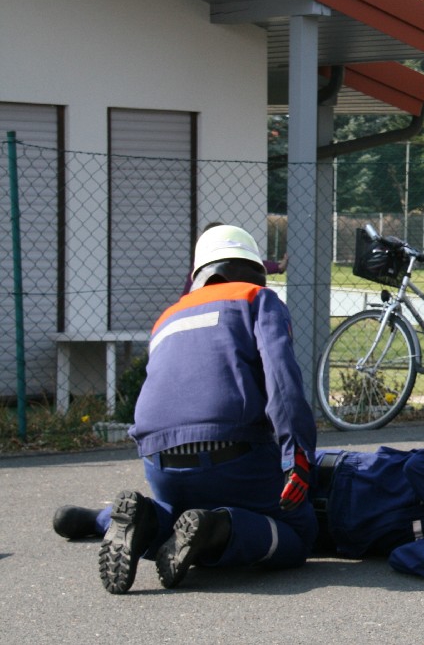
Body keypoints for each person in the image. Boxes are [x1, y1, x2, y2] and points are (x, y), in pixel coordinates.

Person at [95, 224, 318, 594]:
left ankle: (148, 521)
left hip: (160, 460)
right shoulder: (258, 299)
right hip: (234, 454)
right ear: (255, 269)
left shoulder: (167, 316)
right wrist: (298, 455)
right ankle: (219, 529)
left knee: (177, 516)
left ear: (200, 273)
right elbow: (282, 381)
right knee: (298, 534)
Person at [53, 442, 424, 581]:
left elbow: (399, 557)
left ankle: (128, 519)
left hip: (319, 531)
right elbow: (421, 466)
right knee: (209, 501)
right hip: (325, 477)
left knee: (227, 525)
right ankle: (100, 519)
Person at [181, 221, 287, 295]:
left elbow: (186, 295)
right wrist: (278, 267)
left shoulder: (199, 268)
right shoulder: (233, 264)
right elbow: (251, 264)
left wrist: (278, 267)